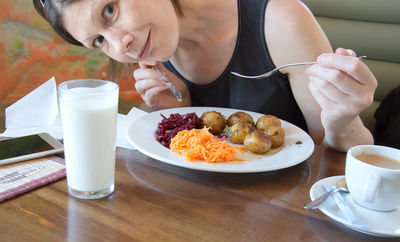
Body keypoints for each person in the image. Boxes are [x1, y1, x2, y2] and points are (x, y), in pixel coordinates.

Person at [33, 0, 377, 152]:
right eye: (98, 41)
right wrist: (181, 109)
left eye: (110, 10)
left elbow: (337, 162)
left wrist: (343, 123)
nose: (120, 46)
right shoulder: (154, 51)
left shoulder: (281, 20)